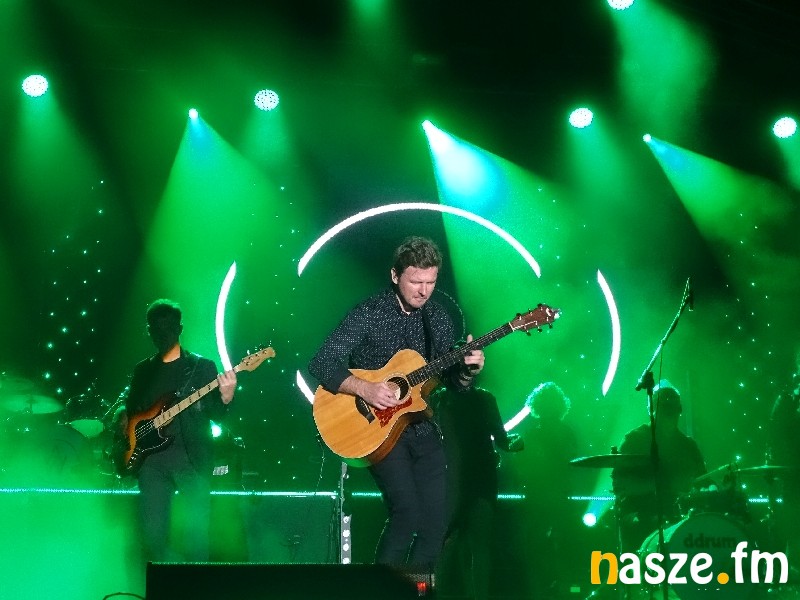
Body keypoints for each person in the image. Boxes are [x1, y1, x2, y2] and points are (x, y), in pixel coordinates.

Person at [308, 236, 485, 573]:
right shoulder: (369, 313)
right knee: (407, 514)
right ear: (395, 276)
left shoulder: (438, 318)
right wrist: (366, 389)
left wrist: (467, 371)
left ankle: (416, 590)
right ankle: (383, 590)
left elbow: (452, 384)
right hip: (376, 428)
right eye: (416, 282)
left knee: (436, 524)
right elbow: (322, 362)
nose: (424, 291)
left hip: (422, 425)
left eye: (431, 282)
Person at [122, 299, 237, 563]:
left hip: (191, 462)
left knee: (196, 539)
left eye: (169, 328)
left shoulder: (201, 367)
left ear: (180, 329)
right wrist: (125, 428)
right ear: (149, 331)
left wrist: (227, 397)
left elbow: (217, 414)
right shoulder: (142, 370)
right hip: (151, 464)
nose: (163, 334)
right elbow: (132, 413)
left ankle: (194, 585)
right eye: (157, 328)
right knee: (153, 539)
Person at [431, 385, 523, 600]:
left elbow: (502, 439)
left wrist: (512, 443)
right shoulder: (448, 399)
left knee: (459, 544)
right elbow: (503, 440)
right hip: (469, 476)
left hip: (467, 477)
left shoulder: (444, 399)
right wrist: (513, 443)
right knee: (467, 545)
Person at [610, 380, 706, 554]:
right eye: (665, 405)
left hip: (678, 516)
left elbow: (703, 482)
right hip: (640, 514)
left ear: (679, 409)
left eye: (673, 406)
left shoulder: (688, 445)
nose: (670, 410)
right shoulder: (635, 439)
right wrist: (662, 485)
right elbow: (620, 485)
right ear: (652, 409)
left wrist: (712, 488)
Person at [516, 381, 583, 599]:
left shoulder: (533, 434)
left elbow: (522, 466)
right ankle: (561, 588)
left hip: (541, 494)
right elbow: (573, 462)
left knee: (537, 546)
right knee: (560, 544)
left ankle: (543, 589)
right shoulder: (565, 432)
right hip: (554, 494)